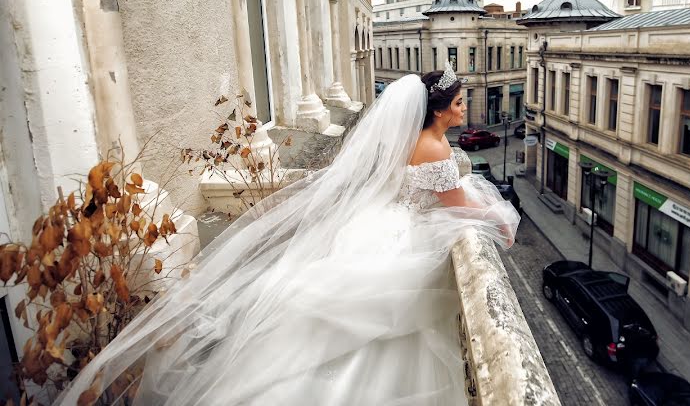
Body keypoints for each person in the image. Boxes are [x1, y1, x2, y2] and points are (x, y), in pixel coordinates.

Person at [56, 63, 520, 405]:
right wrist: (500, 219)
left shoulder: (410, 139)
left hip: (383, 220)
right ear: (439, 110)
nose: (464, 109)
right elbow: (459, 206)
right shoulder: (436, 148)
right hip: (406, 231)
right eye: (459, 102)